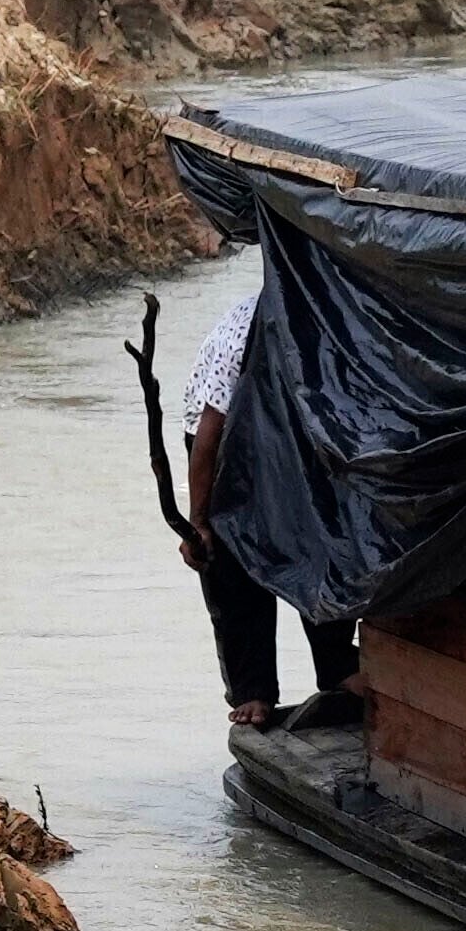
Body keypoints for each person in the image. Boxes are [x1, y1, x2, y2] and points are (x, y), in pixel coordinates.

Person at [159, 291, 343, 725]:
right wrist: (200, 522)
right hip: (222, 438)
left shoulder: (329, 315)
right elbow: (209, 437)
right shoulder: (244, 335)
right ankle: (253, 689)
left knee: (321, 539)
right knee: (231, 554)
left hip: (292, 430)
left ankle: (337, 665)